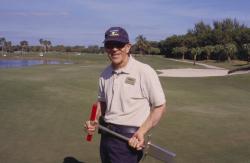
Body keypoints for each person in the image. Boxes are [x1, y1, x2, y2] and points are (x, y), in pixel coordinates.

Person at [85, 27, 166, 163]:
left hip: (129, 140)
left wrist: (141, 132)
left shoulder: (144, 71)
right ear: (105, 48)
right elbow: (102, 102)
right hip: (106, 135)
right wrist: (93, 120)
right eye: (110, 45)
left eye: (119, 45)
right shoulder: (105, 74)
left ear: (128, 47)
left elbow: (160, 106)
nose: (114, 49)